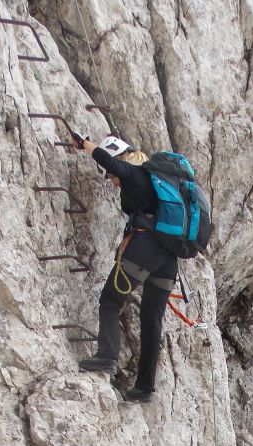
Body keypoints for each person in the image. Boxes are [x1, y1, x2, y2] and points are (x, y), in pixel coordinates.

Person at [77, 135, 178, 404]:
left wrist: (85, 145)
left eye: (111, 175)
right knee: (151, 318)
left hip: (145, 246)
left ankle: (107, 357)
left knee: (111, 299)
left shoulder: (134, 171)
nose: (112, 180)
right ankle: (144, 387)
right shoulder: (158, 182)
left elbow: (112, 162)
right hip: (169, 258)